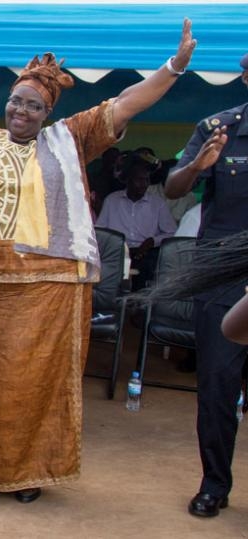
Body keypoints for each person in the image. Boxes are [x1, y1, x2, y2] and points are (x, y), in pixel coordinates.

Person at [0, 21, 196, 503]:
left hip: (51, 286)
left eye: (33, 105)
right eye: (16, 100)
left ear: (48, 112)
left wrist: (172, 68)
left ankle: (27, 472)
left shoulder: (71, 139)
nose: (21, 110)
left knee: (35, 383)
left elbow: (126, 102)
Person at [162, 51, 248, 519]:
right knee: (217, 382)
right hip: (223, 276)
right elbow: (174, 188)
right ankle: (215, 483)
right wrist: (199, 165)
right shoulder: (219, 127)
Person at [96, 153, 177, 290]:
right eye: (139, 180)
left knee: (148, 272)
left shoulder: (157, 203)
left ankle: (139, 307)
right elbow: (100, 231)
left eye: (146, 180)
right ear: (128, 180)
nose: (144, 185)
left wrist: (152, 241)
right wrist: (120, 247)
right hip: (118, 253)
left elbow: (172, 232)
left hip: (146, 253)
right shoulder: (112, 200)